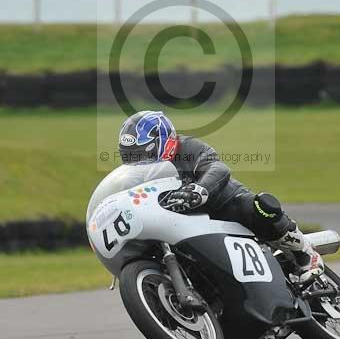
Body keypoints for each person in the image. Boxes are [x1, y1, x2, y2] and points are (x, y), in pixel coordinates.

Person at [118, 109, 324, 282]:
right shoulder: (136, 176)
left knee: (259, 206)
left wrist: (199, 189)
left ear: (164, 142)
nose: (137, 160)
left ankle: (303, 251)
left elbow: (217, 167)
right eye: (130, 155)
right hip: (184, 226)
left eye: (142, 153)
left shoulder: (187, 147)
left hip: (222, 206)